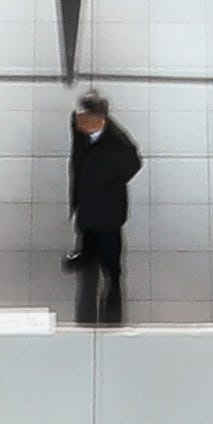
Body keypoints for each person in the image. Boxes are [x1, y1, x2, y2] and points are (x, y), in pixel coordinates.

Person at [63, 92, 143, 322]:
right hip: (87, 213)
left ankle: (111, 323)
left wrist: (106, 179)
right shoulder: (80, 129)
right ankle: (85, 323)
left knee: (112, 274)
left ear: (100, 118)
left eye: (84, 117)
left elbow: (134, 163)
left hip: (109, 217)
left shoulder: (118, 142)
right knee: (87, 276)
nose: (79, 122)